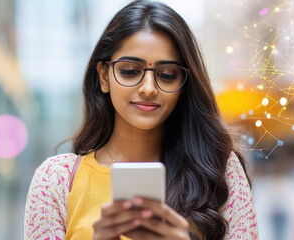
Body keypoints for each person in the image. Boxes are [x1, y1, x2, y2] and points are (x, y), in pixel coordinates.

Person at [24, 1, 258, 239]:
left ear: (184, 85)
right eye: (130, 71)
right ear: (104, 76)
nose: (148, 88)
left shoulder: (218, 172)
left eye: (166, 75)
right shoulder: (56, 181)